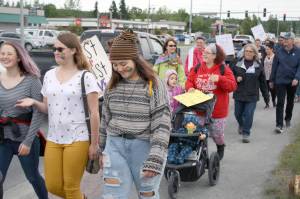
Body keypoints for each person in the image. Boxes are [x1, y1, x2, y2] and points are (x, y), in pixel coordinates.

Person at [16, 32, 100, 199]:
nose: (56, 52)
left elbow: (95, 113)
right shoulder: (49, 75)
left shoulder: (86, 77)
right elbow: (47, 108)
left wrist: (94, 144)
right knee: (52, 186)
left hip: (78, 137)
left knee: (71, 186)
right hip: (54, 138)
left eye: (60, 48)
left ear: (74, 50)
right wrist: (33, 102)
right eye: (54, 48)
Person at [99, 30, 171, 199]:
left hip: (144, 148)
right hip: (114, 147)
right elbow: (105, 119)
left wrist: (155, 158)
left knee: (147, 195)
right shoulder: (112, 86)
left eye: (123, 63)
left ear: (136, 59)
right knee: (112, 196)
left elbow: (162, 123)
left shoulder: (154, 84)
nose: (119, 69)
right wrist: (99, 149)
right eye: (115, 65)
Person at [0, 41, 48, 199]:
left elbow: (38, 112)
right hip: (3, 138)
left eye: (9, 54)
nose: (4, 57)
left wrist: (28, 142)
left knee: (33, 177)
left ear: (19, 57)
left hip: (25, 138)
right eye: (2, 53)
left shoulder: (32, 80)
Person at [185, 43, 237, 160]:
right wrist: (190, 88)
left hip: (217, 110)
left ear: (215, 55)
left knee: (217, 134)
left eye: (207, 52)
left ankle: (220, 146)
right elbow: (189, 80)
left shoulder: (223, 69)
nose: (204, 54)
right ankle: (198, 155)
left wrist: (220, 79)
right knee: (196, 133)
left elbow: (233, 86)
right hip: (199, 109)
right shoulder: (197, 67)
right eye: (204, 52)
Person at [233, 43, 269, 143]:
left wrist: (266, 98)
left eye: (250, 51)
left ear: (254, 53)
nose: (248, 53)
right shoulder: (237, 63)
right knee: (237, 114)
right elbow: (230, 76)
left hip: (252, 95)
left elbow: (263, 83)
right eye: (246, 51)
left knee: (249, 114)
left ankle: (246, 133)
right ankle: (242, 124)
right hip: (239, 93)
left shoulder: (258, 65)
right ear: (243, 52)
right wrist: (236, 79)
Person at [269, 32, 300, 133]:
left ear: (292, 40)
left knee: (290, 101)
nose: (285, 41)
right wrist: (272, 79)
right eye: (284, 39)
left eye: (287, 39)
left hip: (292, 81)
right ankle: (279, 124)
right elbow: (274, 66)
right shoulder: (278, 51)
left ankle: (287, 119)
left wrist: (297, 77)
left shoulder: (298, 51)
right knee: (280, 102)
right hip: (280, 80)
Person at [264, 42, 277, 107]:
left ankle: (273, 101)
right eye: (266, 49)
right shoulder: (264, 56)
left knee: (273, 90)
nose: (267, 51)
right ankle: (267, 103)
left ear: (271, 49)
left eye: (268, 49)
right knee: (266, 91)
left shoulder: (275, 56)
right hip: (265, 76)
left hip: (272, 77)